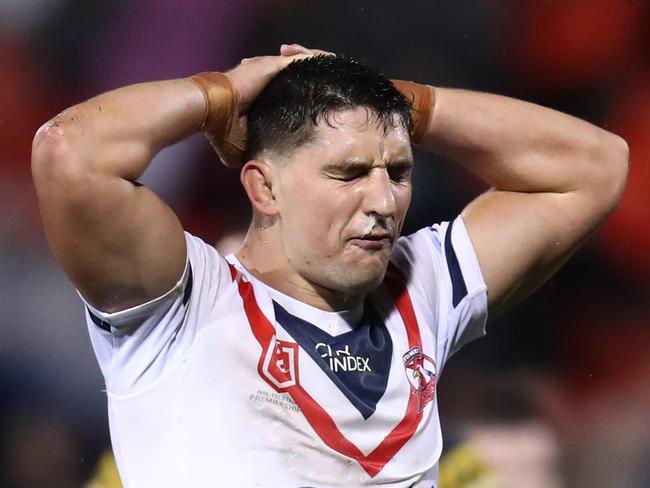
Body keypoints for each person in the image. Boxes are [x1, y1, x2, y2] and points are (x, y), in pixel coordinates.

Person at [31, 44, 628, 487]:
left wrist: (394, 103)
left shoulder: (425, 288)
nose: (384, 201)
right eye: (347, 174)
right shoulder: (183, 305)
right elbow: (71, 151)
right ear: (263, 189)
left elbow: (596, 165)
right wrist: (224, 93)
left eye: (397, 172)